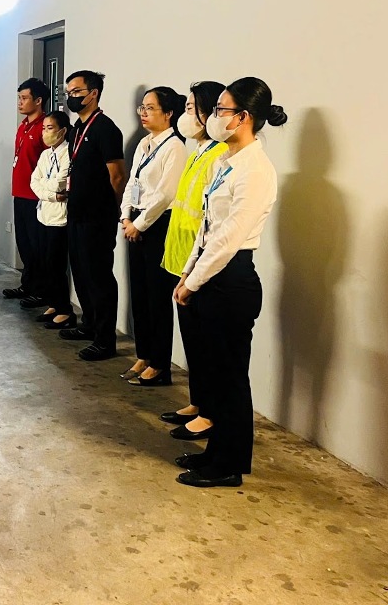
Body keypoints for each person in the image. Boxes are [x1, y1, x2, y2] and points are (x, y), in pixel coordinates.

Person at [173, 77, 287, 488]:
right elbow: (207, 227)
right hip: (210, 273)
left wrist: (194, 281)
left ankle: (229, 464)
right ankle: (215, 452)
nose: (213, 116)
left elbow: (229, 237)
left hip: (232, 278)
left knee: (230, 377)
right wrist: (188, 271)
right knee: (214, 374)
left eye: (221, 110)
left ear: (243, 117)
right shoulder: (226, 161)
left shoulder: (256, 170)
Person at [158, 82, 228, 440]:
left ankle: (210, 412)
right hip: (183, 258)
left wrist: (193, 270)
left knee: (206, 344)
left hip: (201, 264)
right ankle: (198, 402)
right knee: (192, 341)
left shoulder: (219, 154)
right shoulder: (198, 150)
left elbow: (212, 218)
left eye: (191, 108)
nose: (187, 115)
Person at [56, 71, 126, 361]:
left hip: (97, 217)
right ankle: (89, 324)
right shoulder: (76, 129)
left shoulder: (105, 129)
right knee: (81, 273)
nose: (70, 97)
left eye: (76, 92)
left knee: (98, 277)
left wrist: (112, 208)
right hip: (76, 212)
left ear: (93, 93)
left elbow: (117, 176)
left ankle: (105, 339)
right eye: (68, 92)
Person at [120, 87, 187, 386]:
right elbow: (131, 183)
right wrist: (125, 216)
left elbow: (165, 194)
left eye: (150, 108)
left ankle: (160, 364)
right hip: (135, 221)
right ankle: (143, 354)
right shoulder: (145, 143)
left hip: (157, 225)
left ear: (169, 113)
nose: (144, 113)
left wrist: (140, 224)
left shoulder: (174, 147)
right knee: (139, 293)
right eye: (142, 108)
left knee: (157, 296)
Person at [3, 78, 50, 307]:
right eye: (19, 98)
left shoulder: (45, 128)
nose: (20, 102)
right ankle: (27, 284)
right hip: (20, 193)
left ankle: (41, 291)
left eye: (24, 98)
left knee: (37, 245)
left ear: (38, 100)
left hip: (36, 197)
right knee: (23, 243)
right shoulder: (23, 125)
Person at [29, 110, 74, 329]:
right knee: (45, 263)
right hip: (44, 213)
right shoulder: (46, 154)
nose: (45, 133)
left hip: (59, 218)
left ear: (62, 131)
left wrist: (49, 189)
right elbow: (34, 181)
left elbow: (60, 183)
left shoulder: (69, 153)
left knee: (56, 265)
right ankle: (53, 303)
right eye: (44, 128)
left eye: (50, 128)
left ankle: (64, 310)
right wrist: (51, 195)